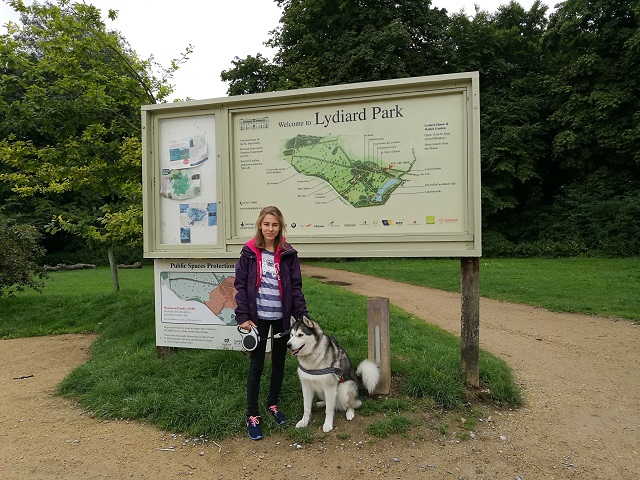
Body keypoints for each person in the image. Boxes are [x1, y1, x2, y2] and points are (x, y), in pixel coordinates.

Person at [234, 205, 309, 440]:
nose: (270, 228)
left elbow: (295, 287)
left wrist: (302, 314)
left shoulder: (288, 254)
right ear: (260, 225)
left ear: (280, 227)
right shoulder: (248, 252)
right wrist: (243, 316)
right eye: (266, 224)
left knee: (278, 363)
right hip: (257, 320)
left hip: (281, 318)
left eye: (275, 225)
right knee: (256, 366)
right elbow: (240, 286)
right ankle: (252, 414)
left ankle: (272, 404)